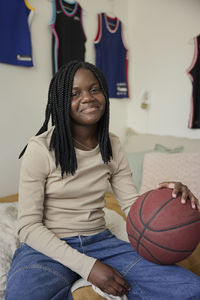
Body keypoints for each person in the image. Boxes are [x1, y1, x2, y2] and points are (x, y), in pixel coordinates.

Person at [5, 61, 200, 300]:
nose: (87, 97)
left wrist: (171, 202)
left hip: (100, 243)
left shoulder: (113, 144)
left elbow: (131, 205)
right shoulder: (40, 148)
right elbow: (29, 227)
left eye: (94, 89)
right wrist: (89, 268)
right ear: (60, 101)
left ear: (104, 95)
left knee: (191, 288)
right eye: (75, 93)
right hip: (46, 248)